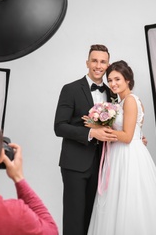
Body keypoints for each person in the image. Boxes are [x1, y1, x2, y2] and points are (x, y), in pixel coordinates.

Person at [85, 60, 156, 235]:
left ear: (127, 80)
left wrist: (98, 129)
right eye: (110, 80)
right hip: (119, 154)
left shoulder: (130, 101)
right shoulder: (119, 103)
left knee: (130, 201)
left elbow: (127, 137)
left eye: (117, 79)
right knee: (118, 201)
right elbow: (134, 132)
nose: (113, 84)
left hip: (128, 156)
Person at [54, 44, 118, 235]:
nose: (98, 65)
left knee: (93, 218)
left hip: (102, 165)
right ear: (87, 62)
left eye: (103, 62)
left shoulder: (112, 93)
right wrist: (91, 133)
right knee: (74, 218)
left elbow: (118, 125)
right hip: (74, 163)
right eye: (94, 61)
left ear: (108, 65)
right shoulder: (70, 89)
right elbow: (59, 126)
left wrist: (137, 138)